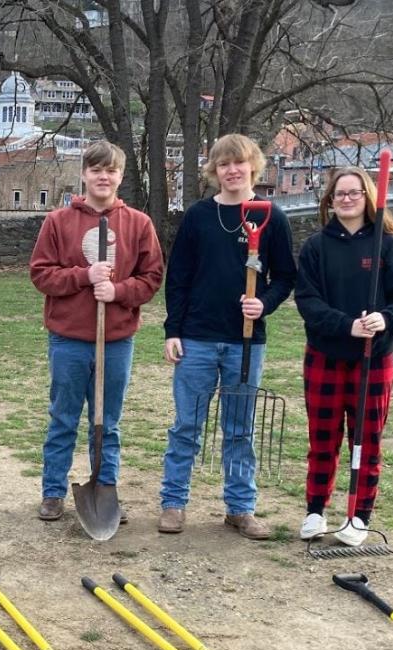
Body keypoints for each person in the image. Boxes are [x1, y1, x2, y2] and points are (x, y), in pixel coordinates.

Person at [158, 133, 296, 540]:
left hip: (246, 342)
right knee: (187, 424)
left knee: (240, 428)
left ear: (253, 166)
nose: (232, 170)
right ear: (214, 171)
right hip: (197, 338)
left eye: (239, 163)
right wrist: (173, 330)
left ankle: (240, 508)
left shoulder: (270, 216)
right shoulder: (199, 217)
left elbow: (286, 275)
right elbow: (178, 278)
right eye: (223, 164)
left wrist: (264, 303)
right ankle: (173, 503)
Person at [29, 140, 164, 522]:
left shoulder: (138, 223)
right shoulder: (58, 221)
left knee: (108, 422)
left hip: (116, 341)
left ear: (121, 176)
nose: (103, 176)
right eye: (96, 169)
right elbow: (41, 273)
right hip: (69, 339)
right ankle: (53, 492)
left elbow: (152, 278)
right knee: (63, 419)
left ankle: (105, 489)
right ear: (84, 174)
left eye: (111, 170)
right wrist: (83, 276)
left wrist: (119, 291)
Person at [294, 165, 393, 546]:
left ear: (368, 197)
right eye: (340, 194)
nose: (347, 199)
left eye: (354, 193)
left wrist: (386, 318)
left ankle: (359, 516)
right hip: (326, 354)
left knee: (366, 438)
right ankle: (316, 510)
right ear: (329, 201)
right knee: (323, 437)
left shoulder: (388, 245)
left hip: (374, 358)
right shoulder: (317, 246)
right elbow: (308, 301)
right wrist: (345, 325)